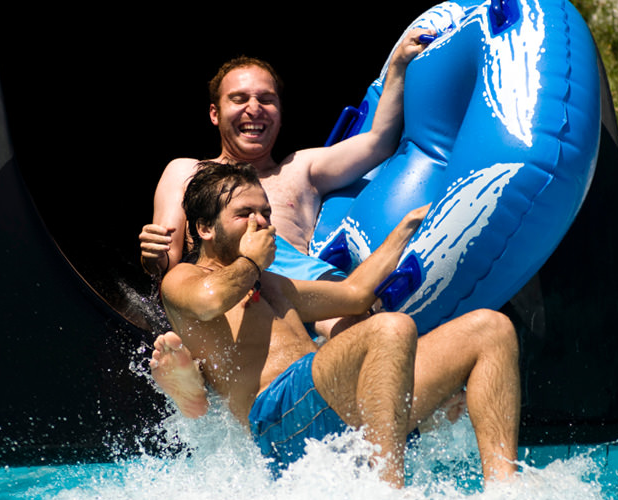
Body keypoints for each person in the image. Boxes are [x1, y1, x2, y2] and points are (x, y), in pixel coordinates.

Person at [150, 162, 521, 488]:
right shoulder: (183, 279)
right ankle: (387, 489)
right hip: (277, 419)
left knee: (491, 329)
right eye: (245, 213)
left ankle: (506, 488)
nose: (261, 222)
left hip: (335, 402)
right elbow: (210, 302)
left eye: (265, 212)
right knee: (391, 328)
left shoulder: (272, 283)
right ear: (205, 228)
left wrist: (409, 225)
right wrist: (250, 262)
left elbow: (356, 294)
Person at [139, 28, 435, 284]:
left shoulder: (300, 169)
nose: (254, 109)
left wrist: (398, 65)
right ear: (215, 114)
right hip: (219, 304)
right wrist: (153, 256)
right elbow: (166, 261)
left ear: (280, 115)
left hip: (295, 305)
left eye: (266, 100)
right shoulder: (186, 172)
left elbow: (377, 143)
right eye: (239, 99)